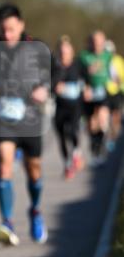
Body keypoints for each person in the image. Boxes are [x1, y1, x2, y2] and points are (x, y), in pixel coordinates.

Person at [0, 5, 51, 247]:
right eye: (3, 30)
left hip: (30, 119)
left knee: (34, 170)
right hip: (2, 119)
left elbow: (57, 71)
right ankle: (7, 222)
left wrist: (45, 87)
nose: (7, 35)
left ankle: (35, 210)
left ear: (21, 24)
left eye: (11, 29)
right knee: (4, 166)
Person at [51, 36, 84, 179]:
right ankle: (67, 164)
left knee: (72, 131)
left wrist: (86, 88)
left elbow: (87, 81)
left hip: (75, 106)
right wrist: (55, 87)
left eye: (67, 52)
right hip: (60, 106)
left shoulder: (78, 65)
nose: (64, 55)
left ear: (72, 52)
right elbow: (48, 86)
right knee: (61, 136)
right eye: (62, 52)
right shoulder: (55, 67)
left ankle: (76, 152)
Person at [79, 30, 112, 165]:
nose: (97, 44)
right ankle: (94, 148)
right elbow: (79, 74)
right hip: (89, 93)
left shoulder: (108, 55)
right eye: (94, 41)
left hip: (103, 92)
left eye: (100, 41)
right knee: (92, 124)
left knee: (103, 119)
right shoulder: (84, 56)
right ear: (90, 42)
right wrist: (84, 87)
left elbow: (113, 72)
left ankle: (101, 145)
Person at [104, 40, 124, 150]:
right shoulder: (102, 60)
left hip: (117, 93)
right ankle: (109, 140)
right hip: (105, 92)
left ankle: (114, 140)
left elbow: (121, 78)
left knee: (116, 118)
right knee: (106, 118)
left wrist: (118, 80)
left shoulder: (118, 61)